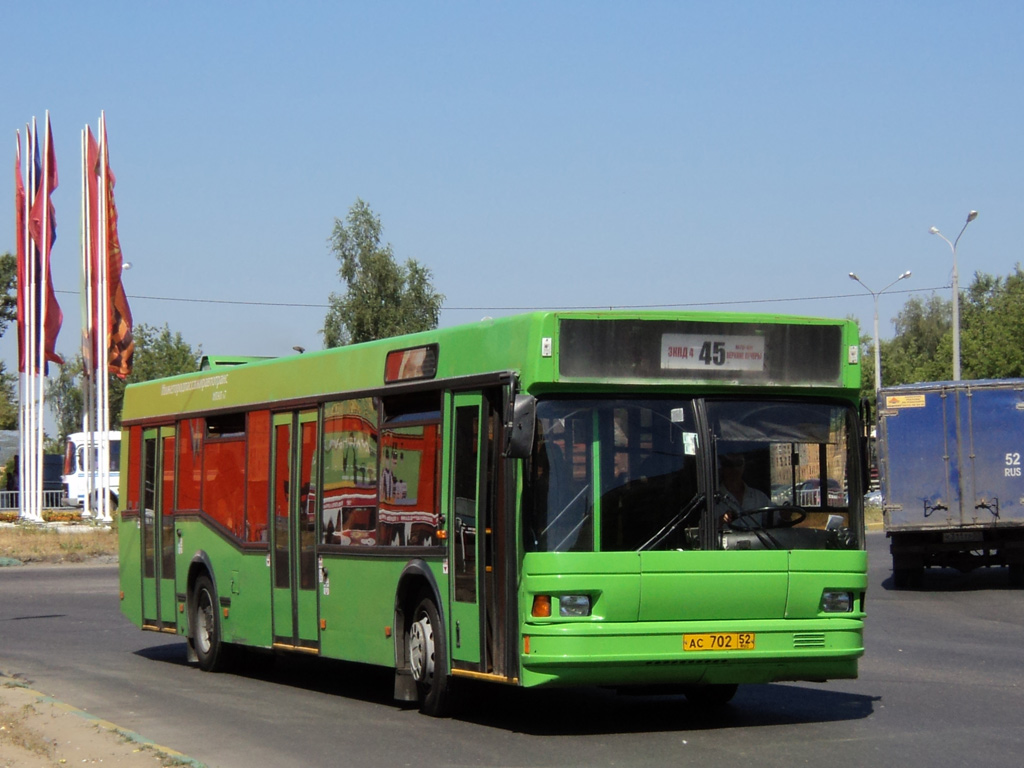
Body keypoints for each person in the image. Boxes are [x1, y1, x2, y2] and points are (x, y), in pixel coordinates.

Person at [716, 453, 770, 526]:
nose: (734, 468)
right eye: (728, 464)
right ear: (722, 468)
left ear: (744, 466)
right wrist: (720, 521)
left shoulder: (759, 497)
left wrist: (785, 515)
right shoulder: (712, 500)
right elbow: (702, 529)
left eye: (738, 463)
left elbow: (778, 517)